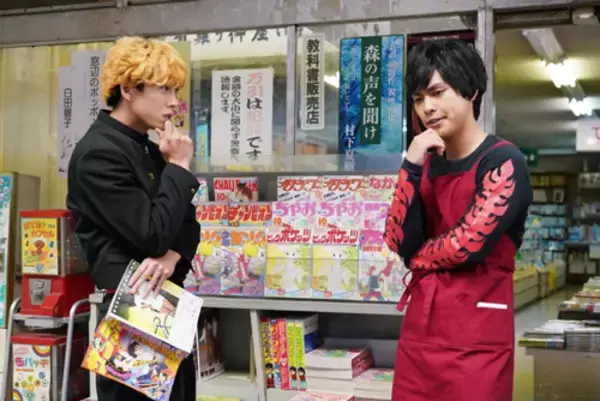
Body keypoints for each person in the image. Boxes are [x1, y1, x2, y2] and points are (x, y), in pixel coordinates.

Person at [384, 39, 533, 401]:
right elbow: (398, 241)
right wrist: (410, 165)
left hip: (476, 339)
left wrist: (417, 257)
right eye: (418, 99)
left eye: (438, 92)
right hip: (421, 335)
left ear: (471, 91)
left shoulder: (503, 161)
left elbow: (466, 245)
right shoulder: (425, 164)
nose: (427, 108)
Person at [67, 36, 200, 401]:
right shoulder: (99, 153)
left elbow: (189, 224)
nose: (174, 102)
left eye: (176, 90)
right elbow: (151, 234)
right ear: (128, 89)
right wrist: (179, 165)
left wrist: (173, 257)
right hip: (127, 312)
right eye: (164, 89)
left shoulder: (151, 148)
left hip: (166, 307)